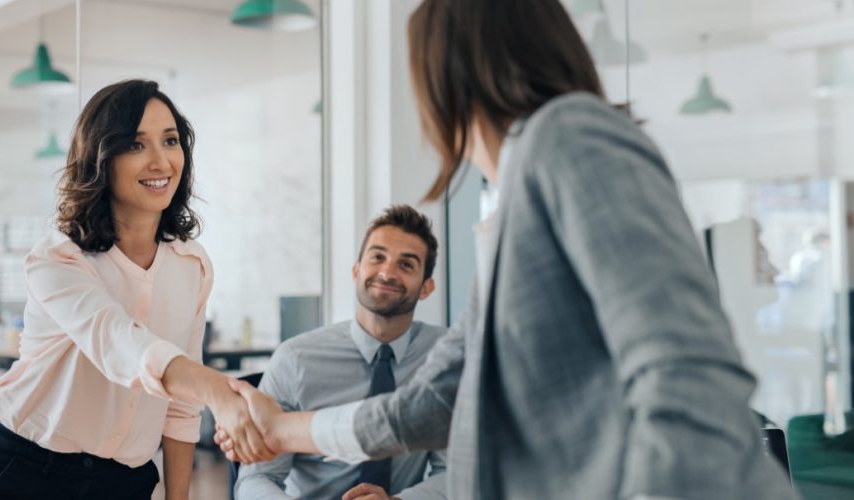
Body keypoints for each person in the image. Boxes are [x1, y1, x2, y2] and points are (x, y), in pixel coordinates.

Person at [217, 1, 798, 499]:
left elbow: (685, 371)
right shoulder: (509, 211)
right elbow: (432, 404)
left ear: (449, 76)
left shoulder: (571, 136)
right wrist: (282, 429)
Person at [0, 79, 272, 500]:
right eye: (136, 145)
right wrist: (223, 394)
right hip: (25, 470)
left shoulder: (191, 265)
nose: (161, 161)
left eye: (171, 140)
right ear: (101, 158)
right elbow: (120, 343)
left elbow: (178, 408)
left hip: (124, 481)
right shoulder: (58, 258)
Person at [234, 205, 447, 500]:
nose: (387, 272)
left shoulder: (445, 357)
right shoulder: (295, 359)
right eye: (377, 257)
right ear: (357, 270)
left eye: (406, 265)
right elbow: (258, 478)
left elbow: (456, 470)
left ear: (426, 287)